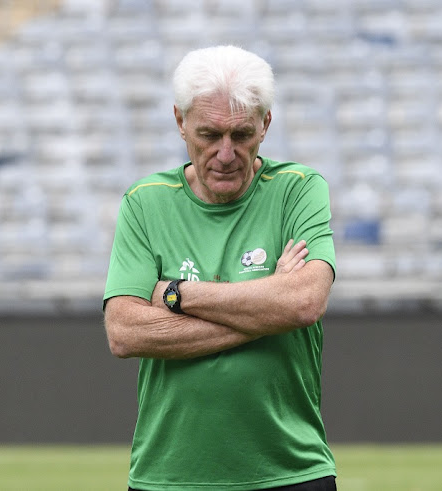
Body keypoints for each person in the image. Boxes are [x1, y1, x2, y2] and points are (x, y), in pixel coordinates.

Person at [103, 45, 337, 491]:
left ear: (266, 124)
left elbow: (305, 301)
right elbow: (125, 331)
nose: (226, 153)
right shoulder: (145, 202)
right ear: (180, 122)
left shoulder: (299, 190)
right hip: (167, 477)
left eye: (241, 134)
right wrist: (268, 308)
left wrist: (175, 294)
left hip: (291, 473)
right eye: (209, 135)